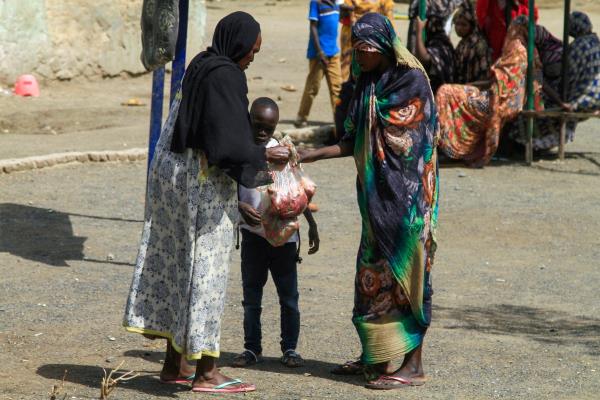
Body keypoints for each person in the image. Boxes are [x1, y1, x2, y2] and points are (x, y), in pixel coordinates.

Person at [123, 12, 291, 394]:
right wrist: (265, 161)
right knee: (206, 275)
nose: (251, 58)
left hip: (171, 178)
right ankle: (207, 372)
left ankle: (173, 364)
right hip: (199, 188)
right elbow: (226, 145)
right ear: (239, 44)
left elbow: (202, 130)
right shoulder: (227, 76)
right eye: (252, 51)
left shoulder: (201, 64)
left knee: (180, 267)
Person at [299, 13, 439, 389]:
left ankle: (413, 365)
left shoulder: (413, 82)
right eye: (355, 50)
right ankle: (375, 356)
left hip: (408, 206)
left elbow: (416, 146)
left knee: (408, 280)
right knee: (372, 280)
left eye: (365, 52)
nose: (358, 58)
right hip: (375, 205)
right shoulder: (364, 83)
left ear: (384, 49)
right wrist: (306, 155)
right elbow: (350, 140)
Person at [231, 98, 320, 369]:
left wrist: (311, 223)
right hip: (253, 236)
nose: (261, 133)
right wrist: (238, 207)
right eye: (257, 126)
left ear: (275, 127)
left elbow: (295, 193)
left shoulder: (281, 152)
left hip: (284, 238)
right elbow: (230, 189)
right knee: (251, 298)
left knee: (289, 298)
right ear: (248, 122)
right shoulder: (238, 151)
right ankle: (251, 348)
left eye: (268, 129)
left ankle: (290, 348)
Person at [436, 16, 543, 167]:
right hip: (502, 99)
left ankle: (449, 148)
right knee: (451, 91)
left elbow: (501, 85)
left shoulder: (516, 49)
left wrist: (474, 85)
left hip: (497, 102)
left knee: (445, 92)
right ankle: (452, 146)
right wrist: (473, 85)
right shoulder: (528, 49)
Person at [508, 11, 600, 152]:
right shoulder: (595, 43)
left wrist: (557, 98)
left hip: (579, 101)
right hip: (595, 98)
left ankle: (529, 143)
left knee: (534, 108)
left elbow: (567, 79)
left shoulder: (575, 48)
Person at [295, 0, 343, 129]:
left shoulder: (336, 4)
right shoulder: (316, 3)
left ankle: (339, 118)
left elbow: (346, 10)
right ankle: (301, 117)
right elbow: (313, 27)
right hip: (319, 54)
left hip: (334, 53)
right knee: (312, 87)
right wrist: (320, 52)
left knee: (337, 88)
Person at [339, 1, 394, 81]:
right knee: (347, 65)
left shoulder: (385, 2)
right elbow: (342, 14)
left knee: (370, 67)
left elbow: (389, 20)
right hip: (350, 34)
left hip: (374, 37)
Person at [453, 0, 492, 84]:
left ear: (472, 25)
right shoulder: (462, 44)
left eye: (464, 25)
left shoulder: (479, 45)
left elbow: (484, 76)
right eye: (457, 24)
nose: (459, 28)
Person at [414, 14, 455, 93]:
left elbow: (424, 57)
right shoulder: (443, 41)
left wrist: (419, 32)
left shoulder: (440, 43)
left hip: (440, 91)